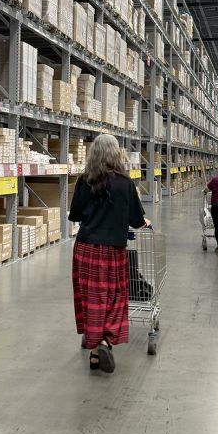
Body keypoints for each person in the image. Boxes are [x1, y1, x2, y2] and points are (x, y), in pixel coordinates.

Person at [68, 134, 150, 374]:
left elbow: (76, 215)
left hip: (86, 248)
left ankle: (95, 350)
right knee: (114, 297)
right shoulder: (125, 183)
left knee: (90, 299)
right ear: (116, 154)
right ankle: (104, 342)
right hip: (113, 249)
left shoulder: (85, 181)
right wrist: (142, 220)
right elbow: (136, 220)